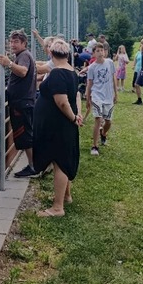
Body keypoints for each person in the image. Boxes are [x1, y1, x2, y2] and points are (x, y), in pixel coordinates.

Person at [32, 39, 82, 217]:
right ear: (67, 54)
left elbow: (62, 102)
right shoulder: (71, 71)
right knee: (61, 159)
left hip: (58, 125)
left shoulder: (57, 74)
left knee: (60, 162)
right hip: (62, 124)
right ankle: (66, 195)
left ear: (51, 54)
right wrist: (77, 115)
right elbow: (75, 96)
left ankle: (57, 207)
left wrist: (73, 117)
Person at [0, 29, 37, 177]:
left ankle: (33, 167)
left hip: (22, 104)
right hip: (23, 102)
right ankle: (34, 164)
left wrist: (9, 63)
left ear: (24, 43)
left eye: (16, 42)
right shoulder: (22, 55)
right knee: (25, 135)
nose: (13, 44)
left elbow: (23, 71)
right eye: (11, 41)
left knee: (25, 136)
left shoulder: (24, 55)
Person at [85, 42, 117, 155]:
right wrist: (88, 98)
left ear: (105, 52)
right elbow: (90, 83)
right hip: (96, 95)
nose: (100, 53)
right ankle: (95, 146)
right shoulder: (92, 67)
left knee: (108, 121)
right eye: (97, 51)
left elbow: (113, 78)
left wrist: (116, 93)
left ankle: (103, 133)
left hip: (108, 96)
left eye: (101, 50)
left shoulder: (110, 63)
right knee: (98, 119)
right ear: (93, 54)